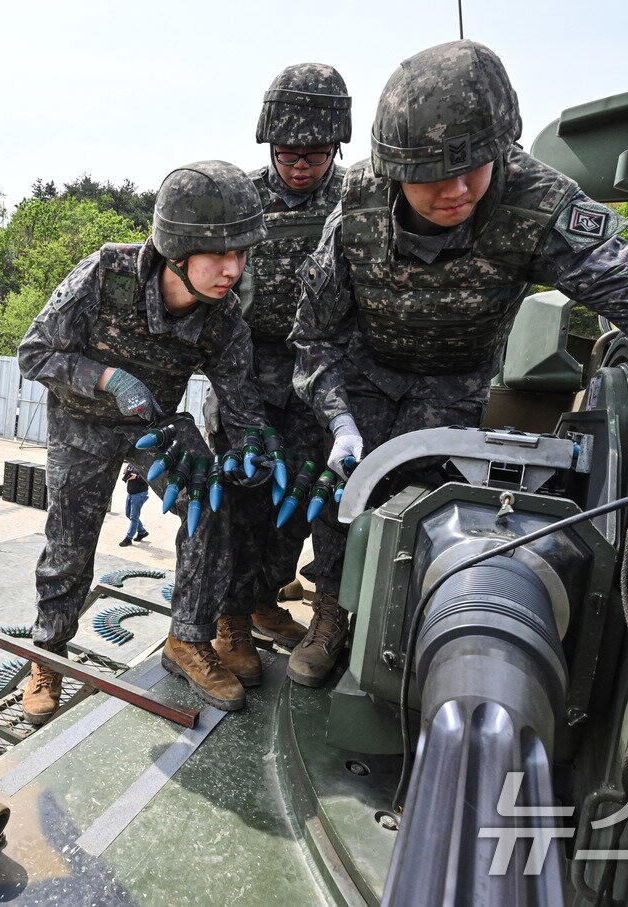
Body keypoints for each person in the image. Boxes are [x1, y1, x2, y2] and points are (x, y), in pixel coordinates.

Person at [288, 40, 628, 688]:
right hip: (363, 377)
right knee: (339, 498)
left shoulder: (536, 199)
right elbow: (312, 339)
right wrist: (338, 418)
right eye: (432, 175)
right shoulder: (357, 208)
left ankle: (406, 628)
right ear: (395, 169)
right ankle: (331, 614)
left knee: (428, 507)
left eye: (474, 167)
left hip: (454, 387)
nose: (456, 191)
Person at [18, 160, 276, 721]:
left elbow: (240, 402)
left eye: (242, 253)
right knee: (69, 541)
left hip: (155, 426)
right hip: (81, 422)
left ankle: (187, 638)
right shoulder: (108, 272)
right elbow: (34, 352)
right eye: (219, 255)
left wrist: (256, 448)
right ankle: (49, 656)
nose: (233, 269)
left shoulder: (225, 316)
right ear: (179, 251)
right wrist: (109, 379)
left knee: (211, 506)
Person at [209, 62, 353, 681]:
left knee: (302, 502)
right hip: (246, 370)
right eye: (288, 153)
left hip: (316, 372)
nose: (300, 167)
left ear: (336, 148)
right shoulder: (238, 198)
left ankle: (270, 601)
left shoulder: (355, 198)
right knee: (243, 501)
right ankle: (231, 622)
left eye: (315, 155)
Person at [119, 465, 149, 547]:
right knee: (128, 514)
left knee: (134, 517)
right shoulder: (132, 463)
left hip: (140, 494)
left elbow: (149, 479)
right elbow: (129, 472)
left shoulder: (146, 464)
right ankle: (142, 532)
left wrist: (136, 477)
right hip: (131, 493)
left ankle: (128, 538)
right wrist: (125, 471)